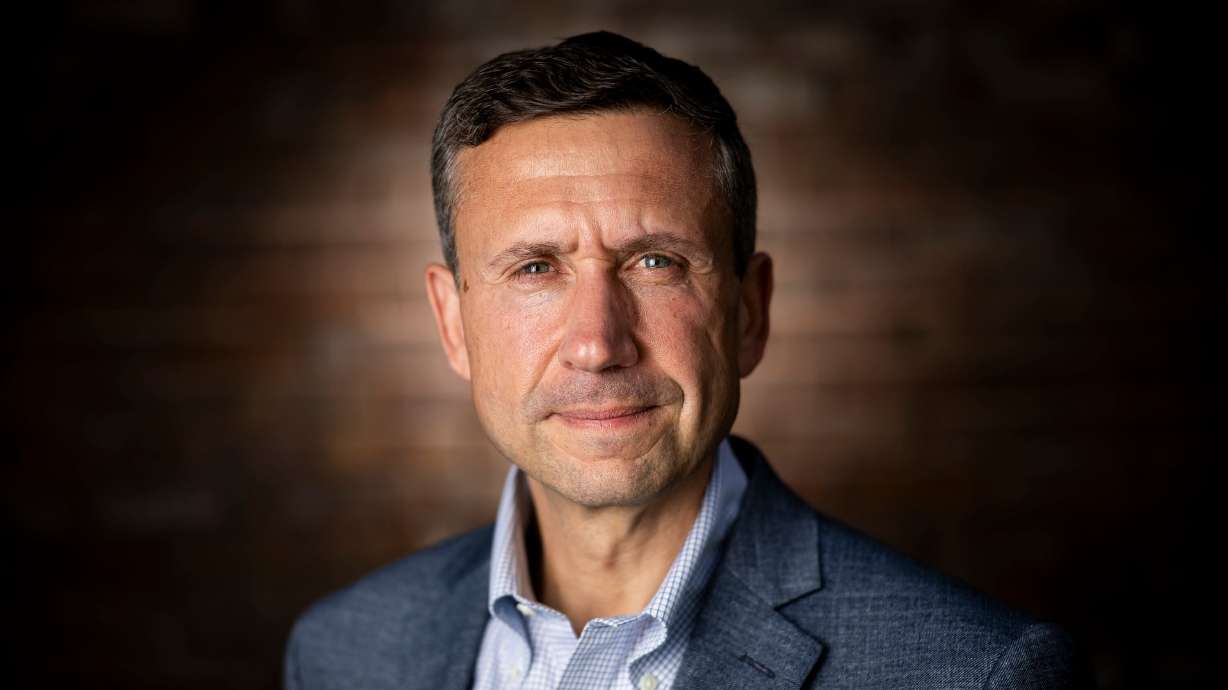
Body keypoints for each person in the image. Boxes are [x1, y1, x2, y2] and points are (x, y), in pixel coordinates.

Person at [284, 31, 1092, 690]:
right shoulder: (341, 652)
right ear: (452, 323)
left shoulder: (978, 672)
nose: (599, 344)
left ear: (750, 312)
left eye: (655, 262)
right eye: (535, 268)